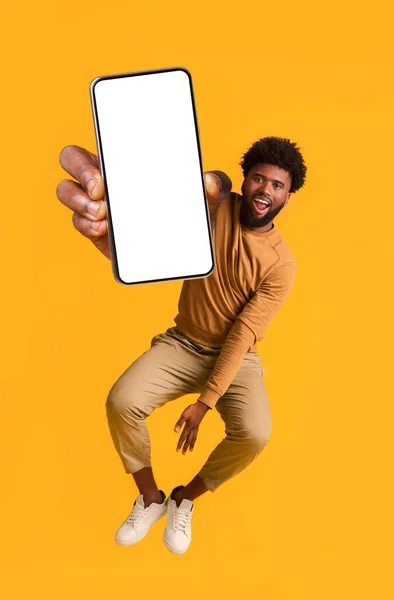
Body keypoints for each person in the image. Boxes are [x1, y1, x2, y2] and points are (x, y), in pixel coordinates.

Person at [56, 136, 307, 555]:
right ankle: (150, 499)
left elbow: (243, 333)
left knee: (255, 434)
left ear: (288, 195)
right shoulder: (213, 206)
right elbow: (163, 212)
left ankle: (184, 499)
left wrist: (205, 403)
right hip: (184, 344)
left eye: (277, 185)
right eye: (259, 179)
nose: (266, 190)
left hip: (237, 358)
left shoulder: (281, 264)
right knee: (121, 401)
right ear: (244, 182)